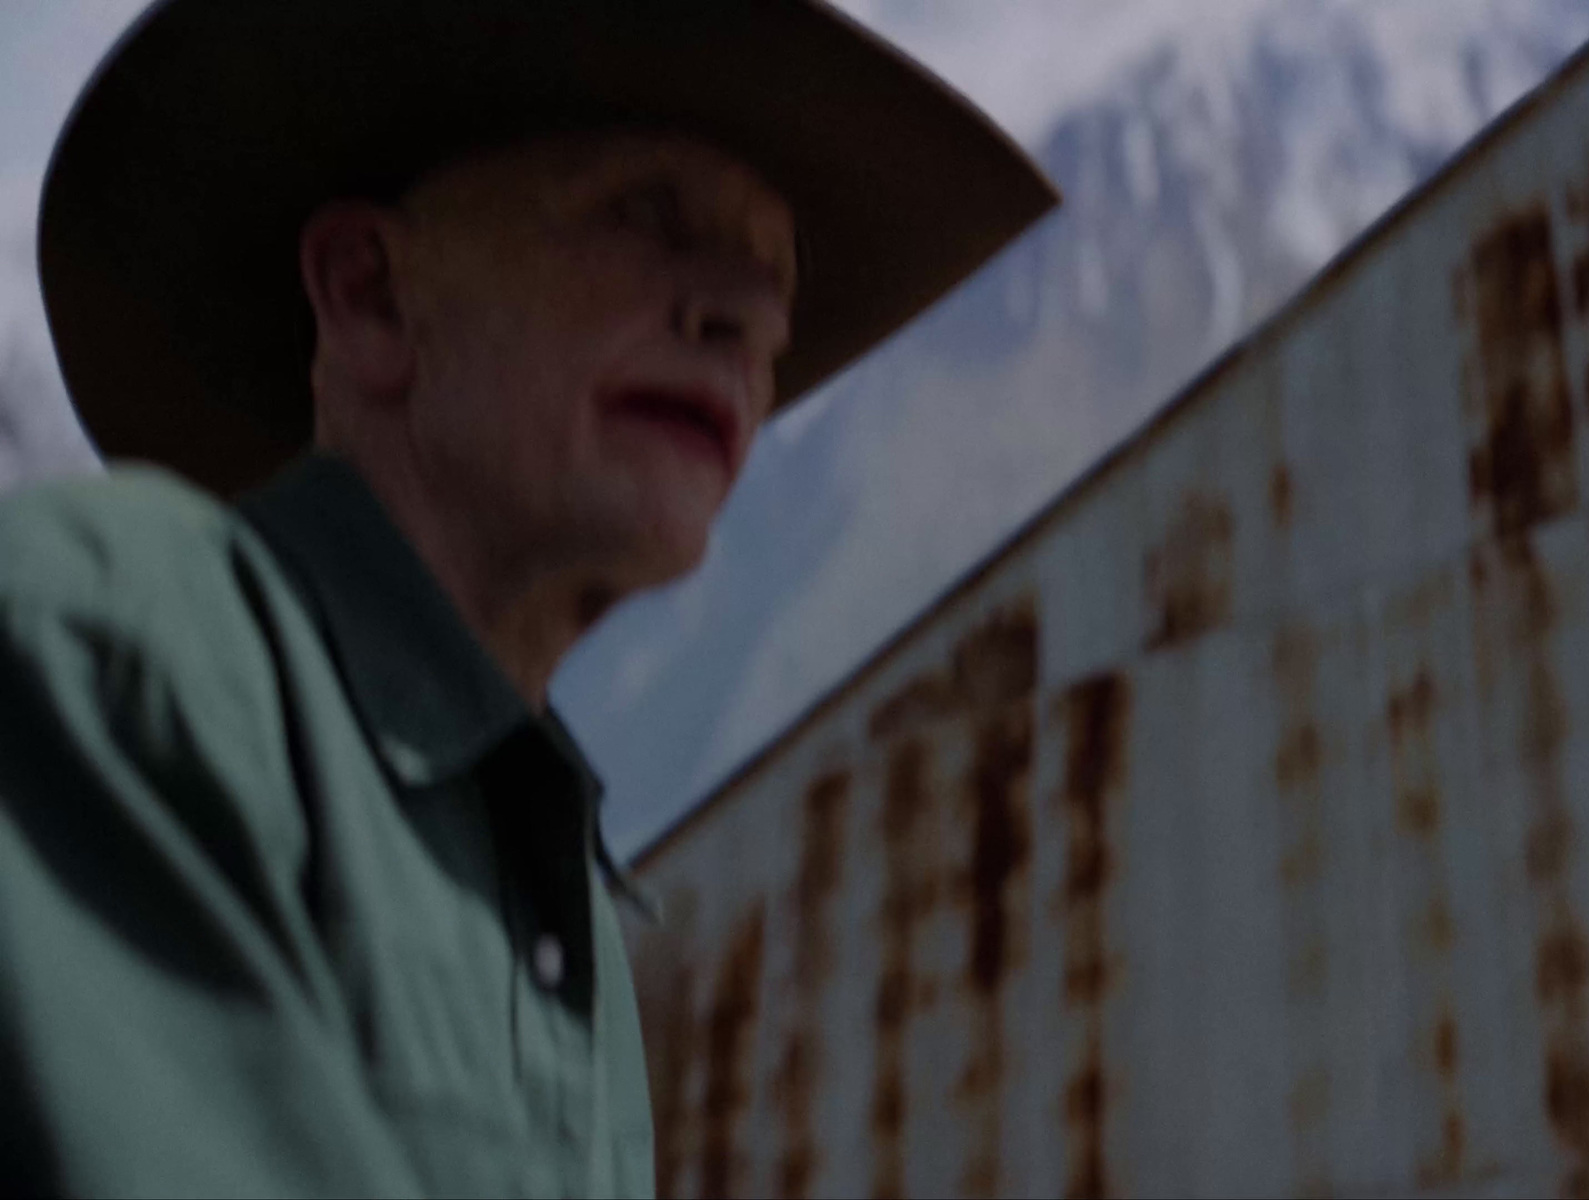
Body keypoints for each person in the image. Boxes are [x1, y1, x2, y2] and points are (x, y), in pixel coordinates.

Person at [0, 1, 1056, 1194]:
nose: (751, 319)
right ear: (370, 297)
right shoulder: (116, 644)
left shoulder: (570, 922)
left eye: (777, 284)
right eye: (650, 213)